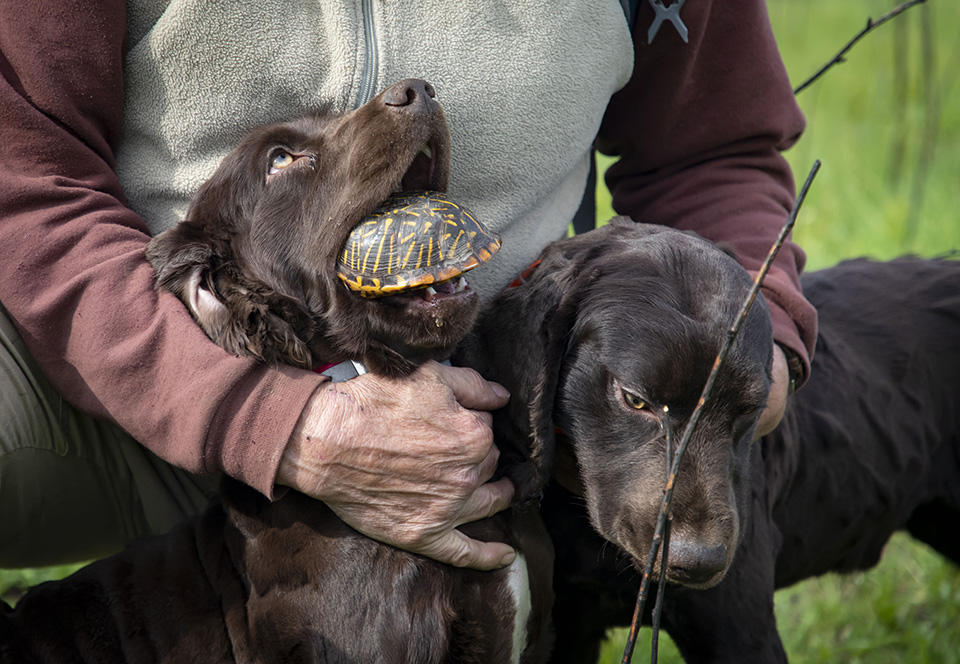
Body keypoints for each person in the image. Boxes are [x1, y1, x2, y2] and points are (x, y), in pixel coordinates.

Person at [0, 0, 816, 570]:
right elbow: (30, 181)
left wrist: (759, 338)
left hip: (495, 423)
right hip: (129, 375)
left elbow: (714, 153)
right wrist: (273, 418)